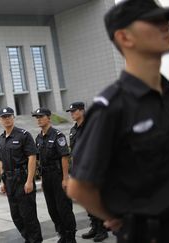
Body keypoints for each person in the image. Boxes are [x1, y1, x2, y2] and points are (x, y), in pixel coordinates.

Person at [67, 0, 169, 242]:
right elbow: (79, 187)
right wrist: (119, 217)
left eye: (165, 20)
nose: (166, 26)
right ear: (125, 37)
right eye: (154, 21)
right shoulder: (112, 108)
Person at [0, 107, 43, 243]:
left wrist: (29, 181)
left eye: (9, 116)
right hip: (9, 181)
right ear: (0, 120)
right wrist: (2, 181)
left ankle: (35, 241)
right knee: (16, 216)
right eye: (4, 117)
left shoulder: (23, 135)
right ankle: (28, 239)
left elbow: (32, 157)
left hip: (22, 179)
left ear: (13, 117)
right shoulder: (0, 139)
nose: (7, 119)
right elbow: (1, 161)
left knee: (28, 215)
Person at [32, 108, 76, 243]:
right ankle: (62, 234)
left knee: (63, 208)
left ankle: (70, 237)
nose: (38, 119)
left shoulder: (58, 135)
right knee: (52, 209)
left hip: (58, 176)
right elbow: (38, 159)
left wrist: (65, 178)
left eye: (41, 116)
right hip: (46, 177)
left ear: (49, 118)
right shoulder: (38, 138)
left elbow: (64, 157)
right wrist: (41, 178)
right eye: (37, 117)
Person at [67, 102, 108, 242]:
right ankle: (94, 227)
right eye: (70, 112)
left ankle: (102, 229)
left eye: (74, 111)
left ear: (82, 111)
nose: (71, 113)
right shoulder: (73, 130)